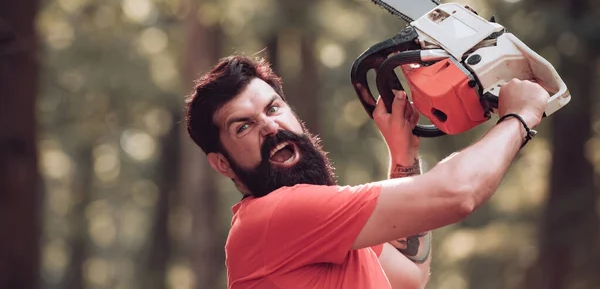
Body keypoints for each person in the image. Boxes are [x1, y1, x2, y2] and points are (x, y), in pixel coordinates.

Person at [184, 54, 549, 289]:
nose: (270, 127)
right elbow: (457, 192)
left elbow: (408, 275)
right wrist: (519, 117)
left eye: (274, 108)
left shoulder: (324, 228)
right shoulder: (274, 216)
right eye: (243, 127)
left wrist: (403, 155)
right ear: (222, 163)